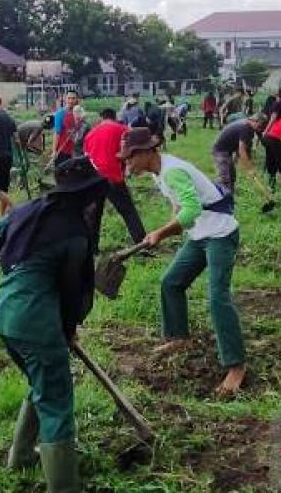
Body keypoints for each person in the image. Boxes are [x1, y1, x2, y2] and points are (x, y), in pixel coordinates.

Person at [0, 157, 106, 493]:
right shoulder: (75, 234)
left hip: (6, 313)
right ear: (85, 195)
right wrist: (69, 327)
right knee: (57, 402)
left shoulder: (26, 211)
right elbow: (72, 291)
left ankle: (20, 458)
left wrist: (20, 268)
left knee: (41, 385)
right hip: (37, 322)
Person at [120, 128, 247, 397]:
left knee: (217, 297)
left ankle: (236, 366)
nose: (127, 163)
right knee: (171, 282)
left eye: (130, 158)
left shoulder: (172, 170)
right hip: (200, 234)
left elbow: (192, 210)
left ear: (146, 152)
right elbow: (180, 205)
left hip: (220, 234)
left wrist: (162, 233)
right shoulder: (159, 172)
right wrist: (170, 224)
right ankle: (178, 338)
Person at [82, 108, 145, 244]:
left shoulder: (90, 134)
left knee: (94, 214)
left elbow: (86, 157)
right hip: (112, 177)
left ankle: (92, 248)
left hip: (94, 178)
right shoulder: (122, 129)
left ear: (101, 118)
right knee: (128, 211)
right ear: (115, 117)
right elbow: (131, 151)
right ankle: (141, 243)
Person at [211, 113, 267, 195]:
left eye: (262, 128)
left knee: (232, 177)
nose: (260, 129)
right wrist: (249, 169)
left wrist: (248, 164)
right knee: (224, 179)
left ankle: (230, 197)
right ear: (255, 121)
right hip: (220, 151)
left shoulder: (247, 125)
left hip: (228, 151)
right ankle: (219, 199)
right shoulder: (246, 128)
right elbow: (242, 150)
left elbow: (245, 149)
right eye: (259, 126)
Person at [52, 92, 81, 165]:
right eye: (69, 98)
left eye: (73, 98)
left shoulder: (80, 114)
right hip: (63, 150)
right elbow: (57, 133)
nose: (71, 101)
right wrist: (54, 151)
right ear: (65, 99)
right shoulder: (60, 113)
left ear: (77, 100)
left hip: (77, 151)